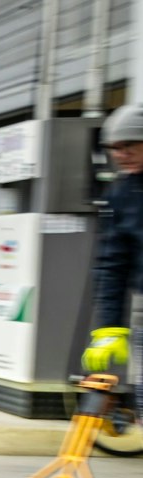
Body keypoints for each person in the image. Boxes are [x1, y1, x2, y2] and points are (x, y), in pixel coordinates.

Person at [84, 104, 143, 423]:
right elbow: (112, 265)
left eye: (128, 146)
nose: (120, 155)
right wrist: (108, 328)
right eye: (114, 148)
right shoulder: (121, 195)